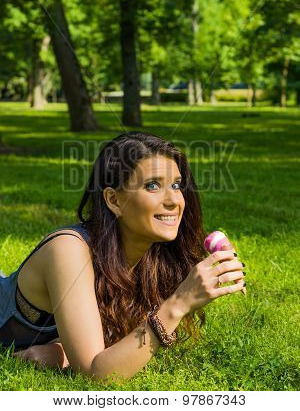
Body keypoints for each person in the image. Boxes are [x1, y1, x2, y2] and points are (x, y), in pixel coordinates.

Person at [0, 131, 246, 382]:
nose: (174, 200)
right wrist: (178, 304)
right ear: (114, 200)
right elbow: (96, 374)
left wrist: (60, 351)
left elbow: (115, 341)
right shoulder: (69, 250)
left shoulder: (150, 253)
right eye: (153, 185)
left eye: (176, 185)